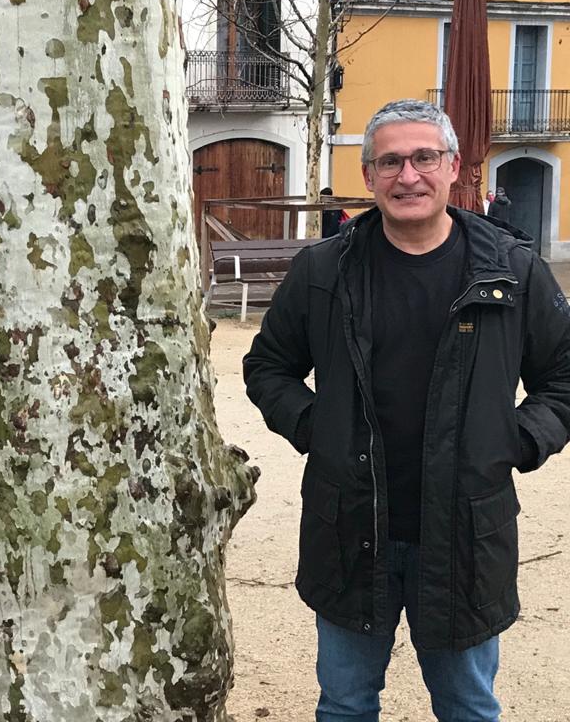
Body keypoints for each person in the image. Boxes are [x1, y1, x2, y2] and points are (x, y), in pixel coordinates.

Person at [242, 99, 570, 721]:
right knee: (344, 704)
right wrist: (317, 428)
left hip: (465, 533)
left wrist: (521, 439)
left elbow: (564, 376)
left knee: (468, 707)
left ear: (452, 169)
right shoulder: (322, 271)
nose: (407, 176)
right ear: (368, 178)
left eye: (424, 158)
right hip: (350, 527)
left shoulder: (512, 273)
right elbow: (267, 367)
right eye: (389, 162)